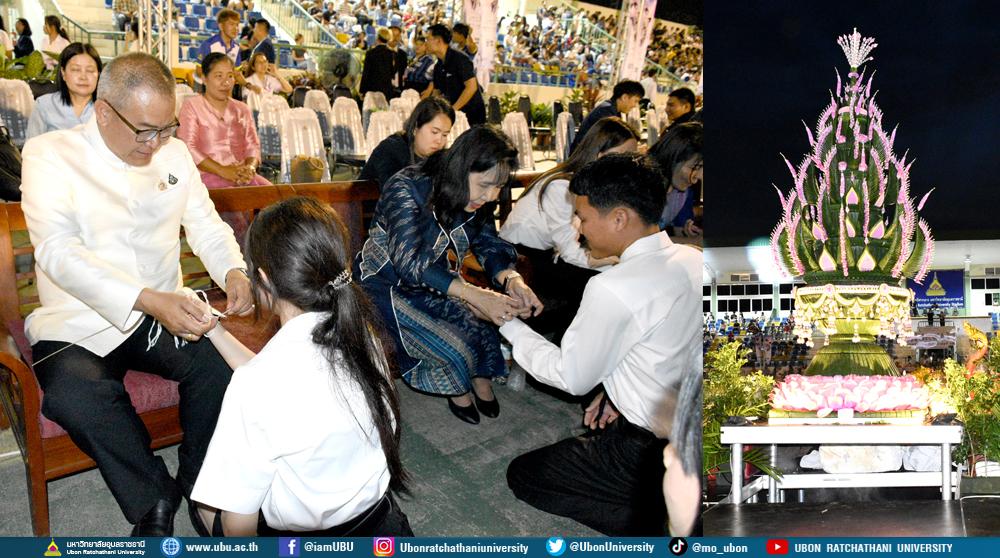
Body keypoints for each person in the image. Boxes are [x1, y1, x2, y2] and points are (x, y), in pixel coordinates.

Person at [20, 52, 253, 536]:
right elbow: (58, 252)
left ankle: (201, 484)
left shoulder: (174, 153)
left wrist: (233, 270)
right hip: (77, 319)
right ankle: (154, 497)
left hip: (164, 310)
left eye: (167, 128)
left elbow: (205, 225)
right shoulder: (49, 154)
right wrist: (146, 298)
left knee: (220, 368)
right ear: (105, 111)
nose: (157, 143)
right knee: (73, 394)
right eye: (145, 131)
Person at [501, 154, 700, 536]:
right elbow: (660, 348)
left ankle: (658, 520)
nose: (577, 229)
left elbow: (571, 378)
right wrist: (614, 388)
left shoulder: (612, 287)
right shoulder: (693, 259)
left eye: (583, 217)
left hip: (646, 447)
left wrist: (508, 324)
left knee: (524, 475)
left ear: (619, 218)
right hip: (692, 421)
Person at [191, 197, 414, 536]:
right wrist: (214, 330)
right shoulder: (360, 334)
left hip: (306, 540)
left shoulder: (257, 384)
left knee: (205, 503)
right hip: (381, 525)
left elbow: (239, 525)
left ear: (263, 279)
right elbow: (271, 379)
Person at [355, 126, 542, 425]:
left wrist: (511, 279)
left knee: (481, 327)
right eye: (485, 185)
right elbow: (409, 262)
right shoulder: (406, 186)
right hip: (384, 282)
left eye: (498, 187)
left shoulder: (473, 195)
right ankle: (458, 388)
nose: (491, 196)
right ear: (462, 167)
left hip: (435, 277)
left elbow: (487, 241)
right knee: (454, 344)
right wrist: (473, 294)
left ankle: (479, 379)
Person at [499, 117, 637, 342]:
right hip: (520, 256)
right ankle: (564, 351)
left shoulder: (592, 185)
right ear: (598, 154)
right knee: (592, 285)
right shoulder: (562, 186)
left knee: (607, 277)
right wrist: (607, 261)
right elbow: (569, 251)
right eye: (622, 157)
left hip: (547, 253)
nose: (628, 165)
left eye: (632, 157)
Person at [359, 95, 454, 190]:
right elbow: (397, 192)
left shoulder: (440, 157)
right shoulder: (392, 150)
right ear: (416, 127)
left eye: (445, 135)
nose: (439, 141)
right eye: (434, 132)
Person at [26, 42, 101, 139]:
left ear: (98, 74)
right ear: (63, 73)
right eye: (76, 70)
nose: (83, 77)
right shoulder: (44, 105)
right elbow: (31, 146)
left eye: (90, 71)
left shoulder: (108, 109)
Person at [421, 23, 486, 125]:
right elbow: (437, 92)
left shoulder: (460, 59)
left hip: (472, 116)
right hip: (455, 116)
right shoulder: (438, 66)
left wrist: (453, 109)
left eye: (427, 39)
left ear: (438, 40)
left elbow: (471, 87)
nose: (425, 43)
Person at [648, 121, 703, 236]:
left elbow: (679, 230)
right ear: (673, 158)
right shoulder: (640, 190)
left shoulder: (683, 193)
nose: (699, 177)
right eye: (695, 167)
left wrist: (688, 233)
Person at [569, 80, 643, 154]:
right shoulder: (606, 111)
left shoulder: (612, 109)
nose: (635, 105)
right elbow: (612, 142)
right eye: (635, 101)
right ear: (624, 97)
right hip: (584, 156)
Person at [359, 27, 397, 101]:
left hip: (372, 89)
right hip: (386, 90)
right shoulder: (392, 54)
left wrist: (362, 91)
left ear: (377, 37)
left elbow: (366, 73)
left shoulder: (370, 53)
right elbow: (392, 73)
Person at [389, 24, 408, 91]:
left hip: (398, 90)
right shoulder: (378, 53)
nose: (395, 38)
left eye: (397, 36)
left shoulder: (403, 54)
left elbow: (404, 73)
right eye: (392, 35)